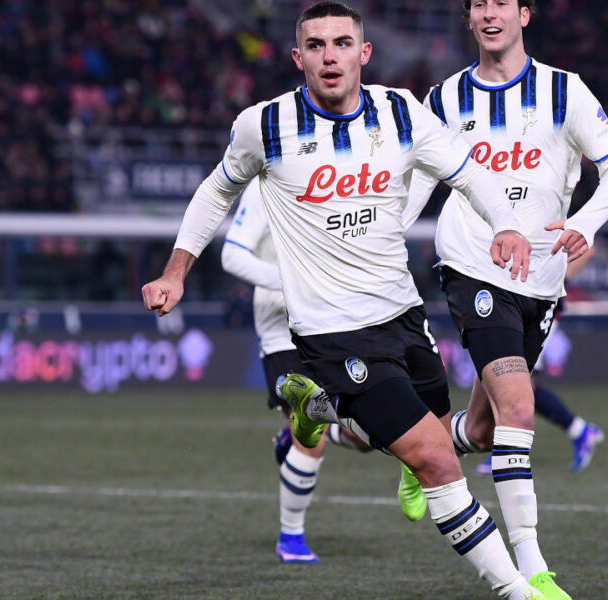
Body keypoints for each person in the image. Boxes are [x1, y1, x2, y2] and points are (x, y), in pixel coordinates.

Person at [143, 3, 550, 598]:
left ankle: (322, 417)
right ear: (298, 58)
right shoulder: (266, 126)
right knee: (439, 461)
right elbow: (215, 191)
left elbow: (470, 172)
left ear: (364, 53)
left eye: (341, 43)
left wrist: (507, 223)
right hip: (334, 333)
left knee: (439, 432)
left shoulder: (401, 113)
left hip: (404, 317)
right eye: (316, 45)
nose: (329, 55)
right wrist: (176, 271)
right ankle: (520, 590)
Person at [405, 1, 608, 597]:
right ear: (468, 18)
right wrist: (382, 242)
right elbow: (420, 184)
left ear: (524, 14)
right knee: (520, 410)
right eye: (477, 3)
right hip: (472, 266)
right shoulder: (446, 98)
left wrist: (584, 222)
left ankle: (424, 443)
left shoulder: (565, 91)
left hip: (542, 276)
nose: (489, 13)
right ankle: (533, 570)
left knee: (484, 429)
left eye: (501, 2)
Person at [220, 182, 370, 564]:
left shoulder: (342, 176)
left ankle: (291, 440)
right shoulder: (265, 187)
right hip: (282, 327)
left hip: (335, 321)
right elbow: (232, 257)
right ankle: (291, 537)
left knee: (367, 436)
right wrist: (291, 283)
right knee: (313, 431)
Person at [473, 248, 605, 475]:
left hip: (540, 307)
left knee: (507, 378)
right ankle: (579, 431)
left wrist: (557, 279)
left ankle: (505, 450)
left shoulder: (555, 217)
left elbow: (588, 248)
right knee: (515, 382)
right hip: (517, 302)